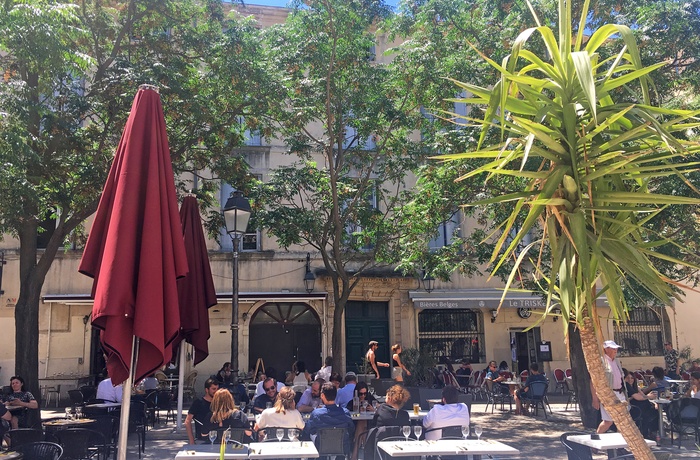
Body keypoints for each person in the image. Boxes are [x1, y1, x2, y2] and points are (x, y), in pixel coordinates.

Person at [303, 383, 355, 454]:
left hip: (321, 449)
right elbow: (351, 429)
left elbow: (308, 430)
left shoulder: (316, 414)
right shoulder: (345, 413)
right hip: (342, 449)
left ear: (322, 395)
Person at [592, 340, 626, 434]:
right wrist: (595, 398)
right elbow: (593, 381)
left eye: (616, 348)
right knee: (608, 421)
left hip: (619, 392)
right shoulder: (601, 361)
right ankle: (596, 440)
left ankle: (620, 446)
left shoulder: (616, 361)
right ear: (606, 349)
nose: (615, 350)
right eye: (613, 348)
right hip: (608, 394)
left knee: (623, 420)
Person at [623, 368, 657, 439]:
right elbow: (638, 397)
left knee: (654, 411)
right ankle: (646, 433)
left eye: (632, 378)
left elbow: (641, 395)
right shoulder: (626, 386)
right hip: (634, 407)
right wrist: (648, 396)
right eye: (627, 378)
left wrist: (649, 398)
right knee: (648, 414)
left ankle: (651, 432)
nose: (630, 380)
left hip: (641, 405)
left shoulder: (635, 386)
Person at [185, 378, 219, 444]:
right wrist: (191, 441)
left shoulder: (219, 403)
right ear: (207, 390)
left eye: (217, 389)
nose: (216, 391)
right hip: (201, 440)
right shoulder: (198, 403)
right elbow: (187, 421)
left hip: (218, 440)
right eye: (213, 389)